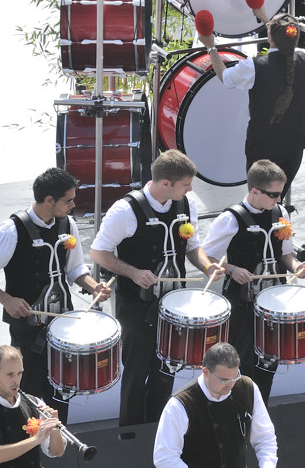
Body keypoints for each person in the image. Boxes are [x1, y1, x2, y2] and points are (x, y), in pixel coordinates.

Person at [0, 167, 111, 423]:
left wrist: (93, 286)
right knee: (29, 395)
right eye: (68, 200)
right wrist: (6, 300)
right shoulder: (11, 230)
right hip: (27, 330)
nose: (73, 205)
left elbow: (75, 268)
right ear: (49, 200)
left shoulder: (68, 224)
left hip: (62, 327)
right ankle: (30, 443)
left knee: (61, 393)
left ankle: (57, 441)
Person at [90, 150, 223, 426]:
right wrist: (133, 272)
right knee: (136, 372)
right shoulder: (124, 210)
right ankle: (130, 434)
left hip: (173, 305)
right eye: (186, 184)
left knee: (166, 369)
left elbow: (192, 246)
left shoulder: (186, 203)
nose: (190, 189)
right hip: (136, 305)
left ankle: (157, 430)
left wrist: (207, 267)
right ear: (165, 183)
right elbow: (98, 252)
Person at [199, 159, 305, 403]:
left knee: (269, 362)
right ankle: (238, 411)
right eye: (273, 194)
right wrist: (232, 269)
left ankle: (260, 411)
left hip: (273, 303)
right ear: (254, 191)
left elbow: (285, 255)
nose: (278, 199)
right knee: (242, 363)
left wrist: (296, 267)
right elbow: (206, 256)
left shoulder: (280, 213)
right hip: (243, 302)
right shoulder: (230, 219)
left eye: (281, 194)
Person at [199, 12, 305, 197]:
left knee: (259, 201)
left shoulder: (253, 67)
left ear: (270, 37)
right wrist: (268, 21)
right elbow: (283, 39)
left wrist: (210, 46)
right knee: (275, 199)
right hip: (294, 147)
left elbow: (226, 77)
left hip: (264, 148)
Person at [153, 342, 278, 468]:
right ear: (206, 372)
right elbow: (165, 457)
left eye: (235, 377)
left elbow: (265, 438)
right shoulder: (179, 405)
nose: (231, 384)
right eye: (224, 380)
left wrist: (267, 465)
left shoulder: (248, 388)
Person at [0, 345, 65, 468]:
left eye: (19, 373)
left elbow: (57, 452)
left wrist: (55, 427)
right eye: (10, 374)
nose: (16, 380)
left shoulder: (35, 403)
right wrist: (35, 439)